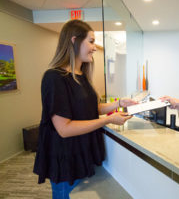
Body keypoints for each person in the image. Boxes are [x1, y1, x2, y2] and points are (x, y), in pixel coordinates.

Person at [33, 20, 137, 199]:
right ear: (74, 40)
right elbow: (64, 129)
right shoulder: (54, 78)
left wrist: (119, 103)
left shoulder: (82, 76)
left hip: (83, 151)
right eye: (91, 41)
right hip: (65, 157)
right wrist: (108, 119)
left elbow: (90, 109)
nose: (94, 47)